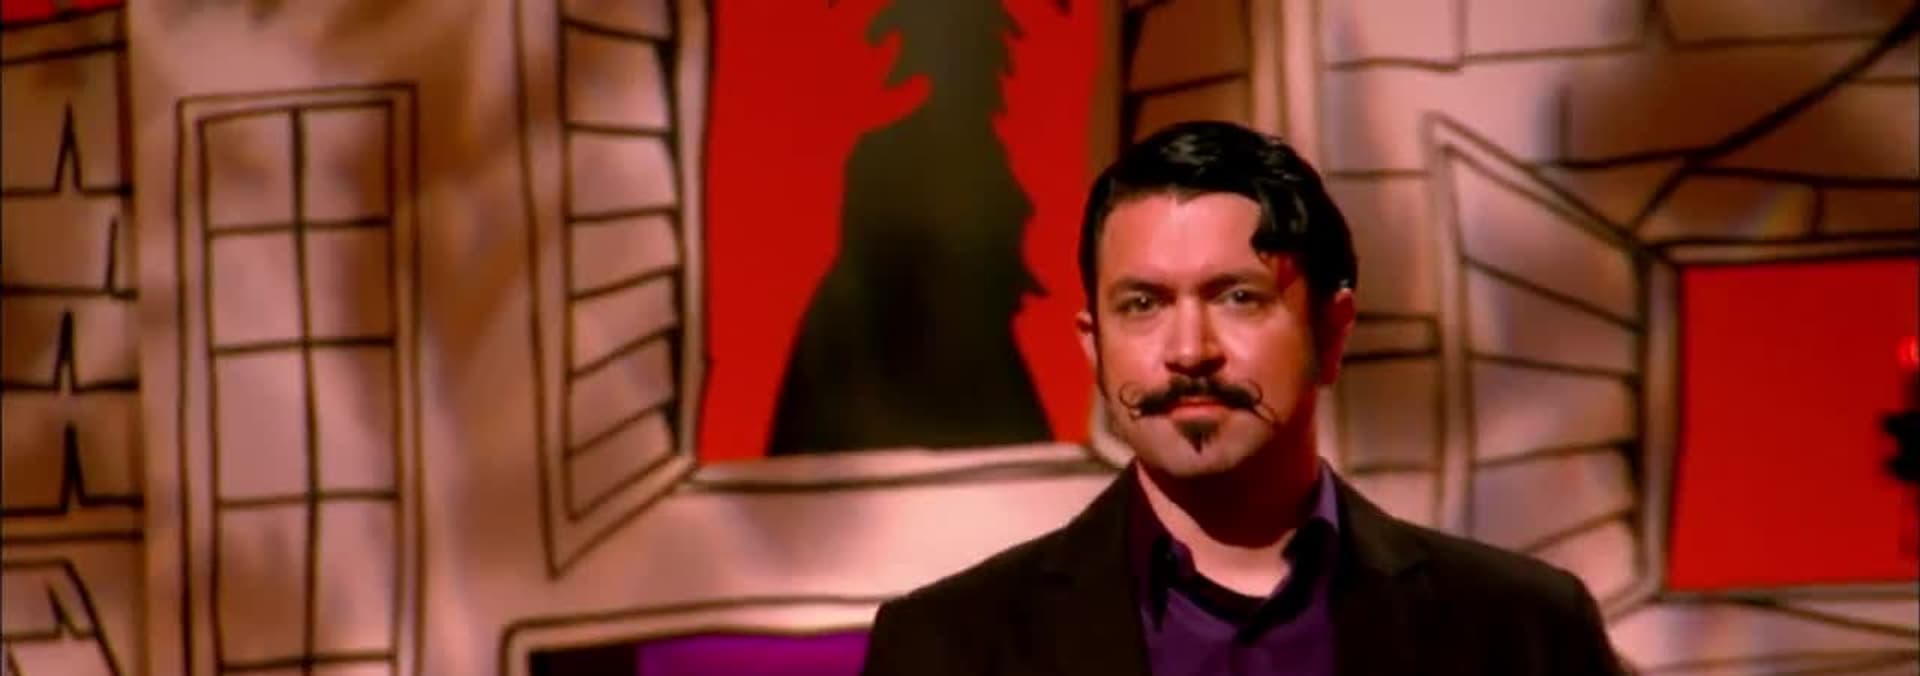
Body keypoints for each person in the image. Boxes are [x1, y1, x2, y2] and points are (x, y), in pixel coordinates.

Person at [859, 120, 1625, 675]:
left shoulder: (1524, 632)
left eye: (1238, 297)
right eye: (1142, 305)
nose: (1190, 350)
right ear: (1093, 345)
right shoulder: (946, 649)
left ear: (1331, 332)